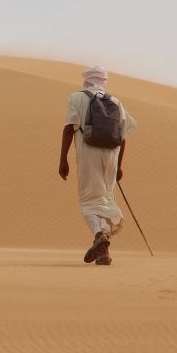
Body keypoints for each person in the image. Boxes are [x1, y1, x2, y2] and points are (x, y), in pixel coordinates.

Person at [58, 66, 137, 265]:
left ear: (86, 79)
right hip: (111, 155)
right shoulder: (115, 101)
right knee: (105, 198)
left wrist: (63, 160)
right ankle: (103, 253)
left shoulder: (76, 98)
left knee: (88, 199)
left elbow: (69, 129)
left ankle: (99, 234)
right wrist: (119, 166)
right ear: (103, 81)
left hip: (88, 153)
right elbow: (124, 136)